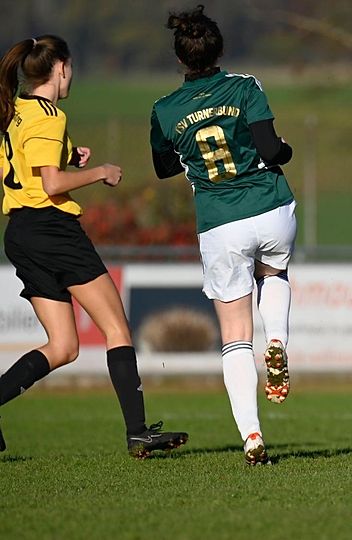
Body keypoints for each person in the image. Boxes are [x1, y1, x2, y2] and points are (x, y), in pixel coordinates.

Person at [0, 35, 188, 457]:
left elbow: (19, 171)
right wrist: (99, 170)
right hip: (53, 230)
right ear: (61, 67)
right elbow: (50, 185)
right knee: (117, 328)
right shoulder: (50, 115)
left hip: (20, 233)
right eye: (71, 69)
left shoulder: (16, 113)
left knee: (63, 347)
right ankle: (138, 431)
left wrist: (70, 156)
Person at [150, 6, 296, 465]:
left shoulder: (164, 109)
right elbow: (271, 148)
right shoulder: (245, 86)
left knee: (234, 334)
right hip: (269, 205)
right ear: (219, 50)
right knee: (274, 273)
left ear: (180, 59)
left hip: (220, 221)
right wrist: (284, 151)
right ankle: (279, 341)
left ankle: (252, 437)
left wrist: (191, 153)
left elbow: (162, 167)